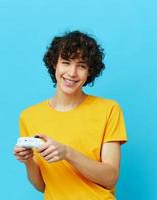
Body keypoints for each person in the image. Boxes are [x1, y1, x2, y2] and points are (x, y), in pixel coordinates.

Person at [13, 30, 127, 200]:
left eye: (81, 65)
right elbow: (42, 186)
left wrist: (66, 153)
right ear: (54, 64)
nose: (72, 73)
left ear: (90, 71)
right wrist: (28, 161)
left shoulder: (108, 109)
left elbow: (110, 178)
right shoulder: (29, 116)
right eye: (66, 62)